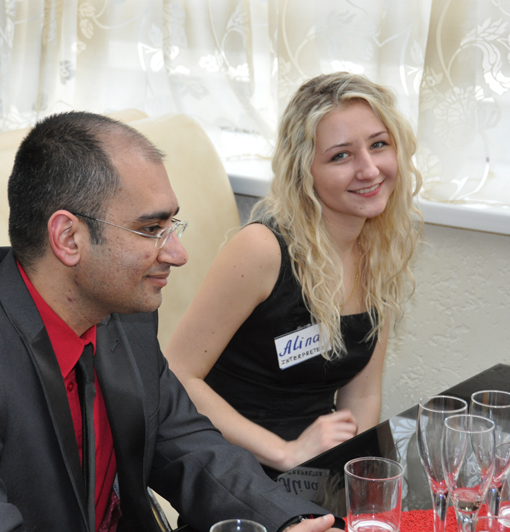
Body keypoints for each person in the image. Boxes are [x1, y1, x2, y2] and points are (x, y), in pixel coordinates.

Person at [0, 111, 342, 532]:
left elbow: (190, 448)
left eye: (171, 224)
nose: (178, 253)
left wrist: (288, 522)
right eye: (151, 228)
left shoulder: (120, 313)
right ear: (68, 238)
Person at [165, 73, 422, 472]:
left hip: (313, 464)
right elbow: (177, 374)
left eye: (378, 145)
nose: (370, 169)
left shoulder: (379, 250)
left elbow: (362, 395)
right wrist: (285, 453)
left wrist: (351, 477)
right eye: (341, 156)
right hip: (230, 460)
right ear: (305, 170)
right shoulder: (261, 249)